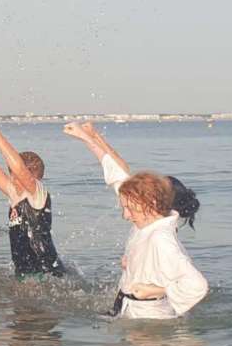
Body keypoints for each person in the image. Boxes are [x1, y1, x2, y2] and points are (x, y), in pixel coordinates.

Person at [64, 122, 207, 318]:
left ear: (151, 203)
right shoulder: (146, 218)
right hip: (126, 309)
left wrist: (158, 290)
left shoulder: (161, 238)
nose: (125, 215)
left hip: (150, 320)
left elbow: (197, 286)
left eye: (129, 209)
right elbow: (118, 173)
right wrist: (89, 138)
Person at [0, 107, 65, 278]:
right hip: (24, 273)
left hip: (46, 273)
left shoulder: (37, 193)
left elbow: (19, 169)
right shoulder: (14, 193)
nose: (11, 180)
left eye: (14, 174)